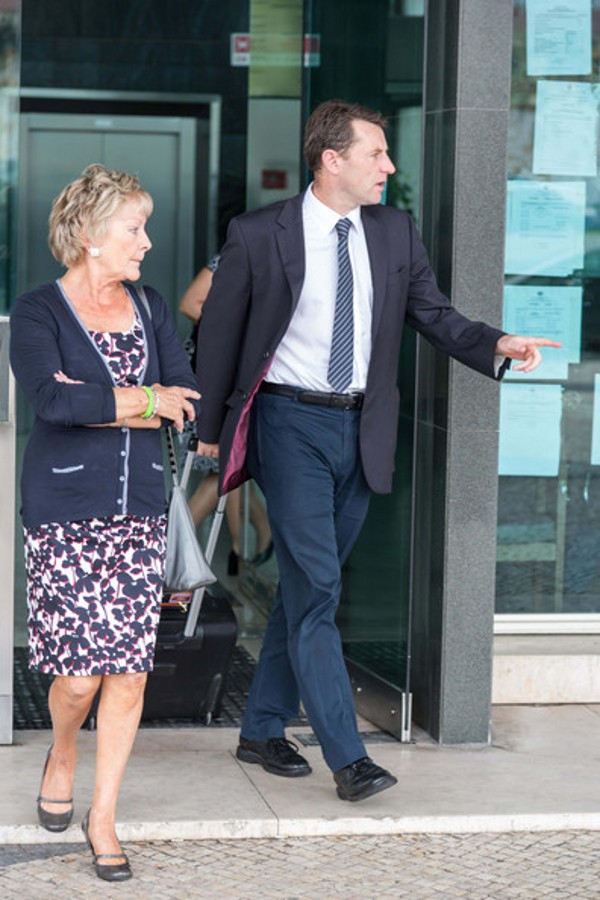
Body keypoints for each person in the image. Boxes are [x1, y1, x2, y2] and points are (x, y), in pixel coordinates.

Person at [194, 100, 561, 803]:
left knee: (306, 587)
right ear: (332, 159)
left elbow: (434, 314)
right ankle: (348, 758)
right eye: (377, 154)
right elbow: (219, 332)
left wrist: (498, 343)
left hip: (362, 429)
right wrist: (210, 428)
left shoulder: (394, 231)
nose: (389, 167)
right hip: (288, 423)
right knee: (320, 590)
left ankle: (261, 727)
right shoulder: (260, 233)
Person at [9, 163, 200, 881]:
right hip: (64, 512)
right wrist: (146, 399)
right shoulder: (38, 311)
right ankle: (63, 749)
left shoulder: (150, 306)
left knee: (129, 673)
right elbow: (53, 404)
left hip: (141, 511)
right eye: (134, 227)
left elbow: (186, 396)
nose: (146, 242)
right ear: (90, 235)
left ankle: (103, 816)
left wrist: (110, 400)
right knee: (80, 680)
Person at [179, 259, 272, 574]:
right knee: (224, 470)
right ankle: (170, 545)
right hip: (215, 378)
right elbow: (190, 303)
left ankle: (251, 538)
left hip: (239, 378)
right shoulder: (231, 258)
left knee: (232, 468)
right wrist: (239, 336)